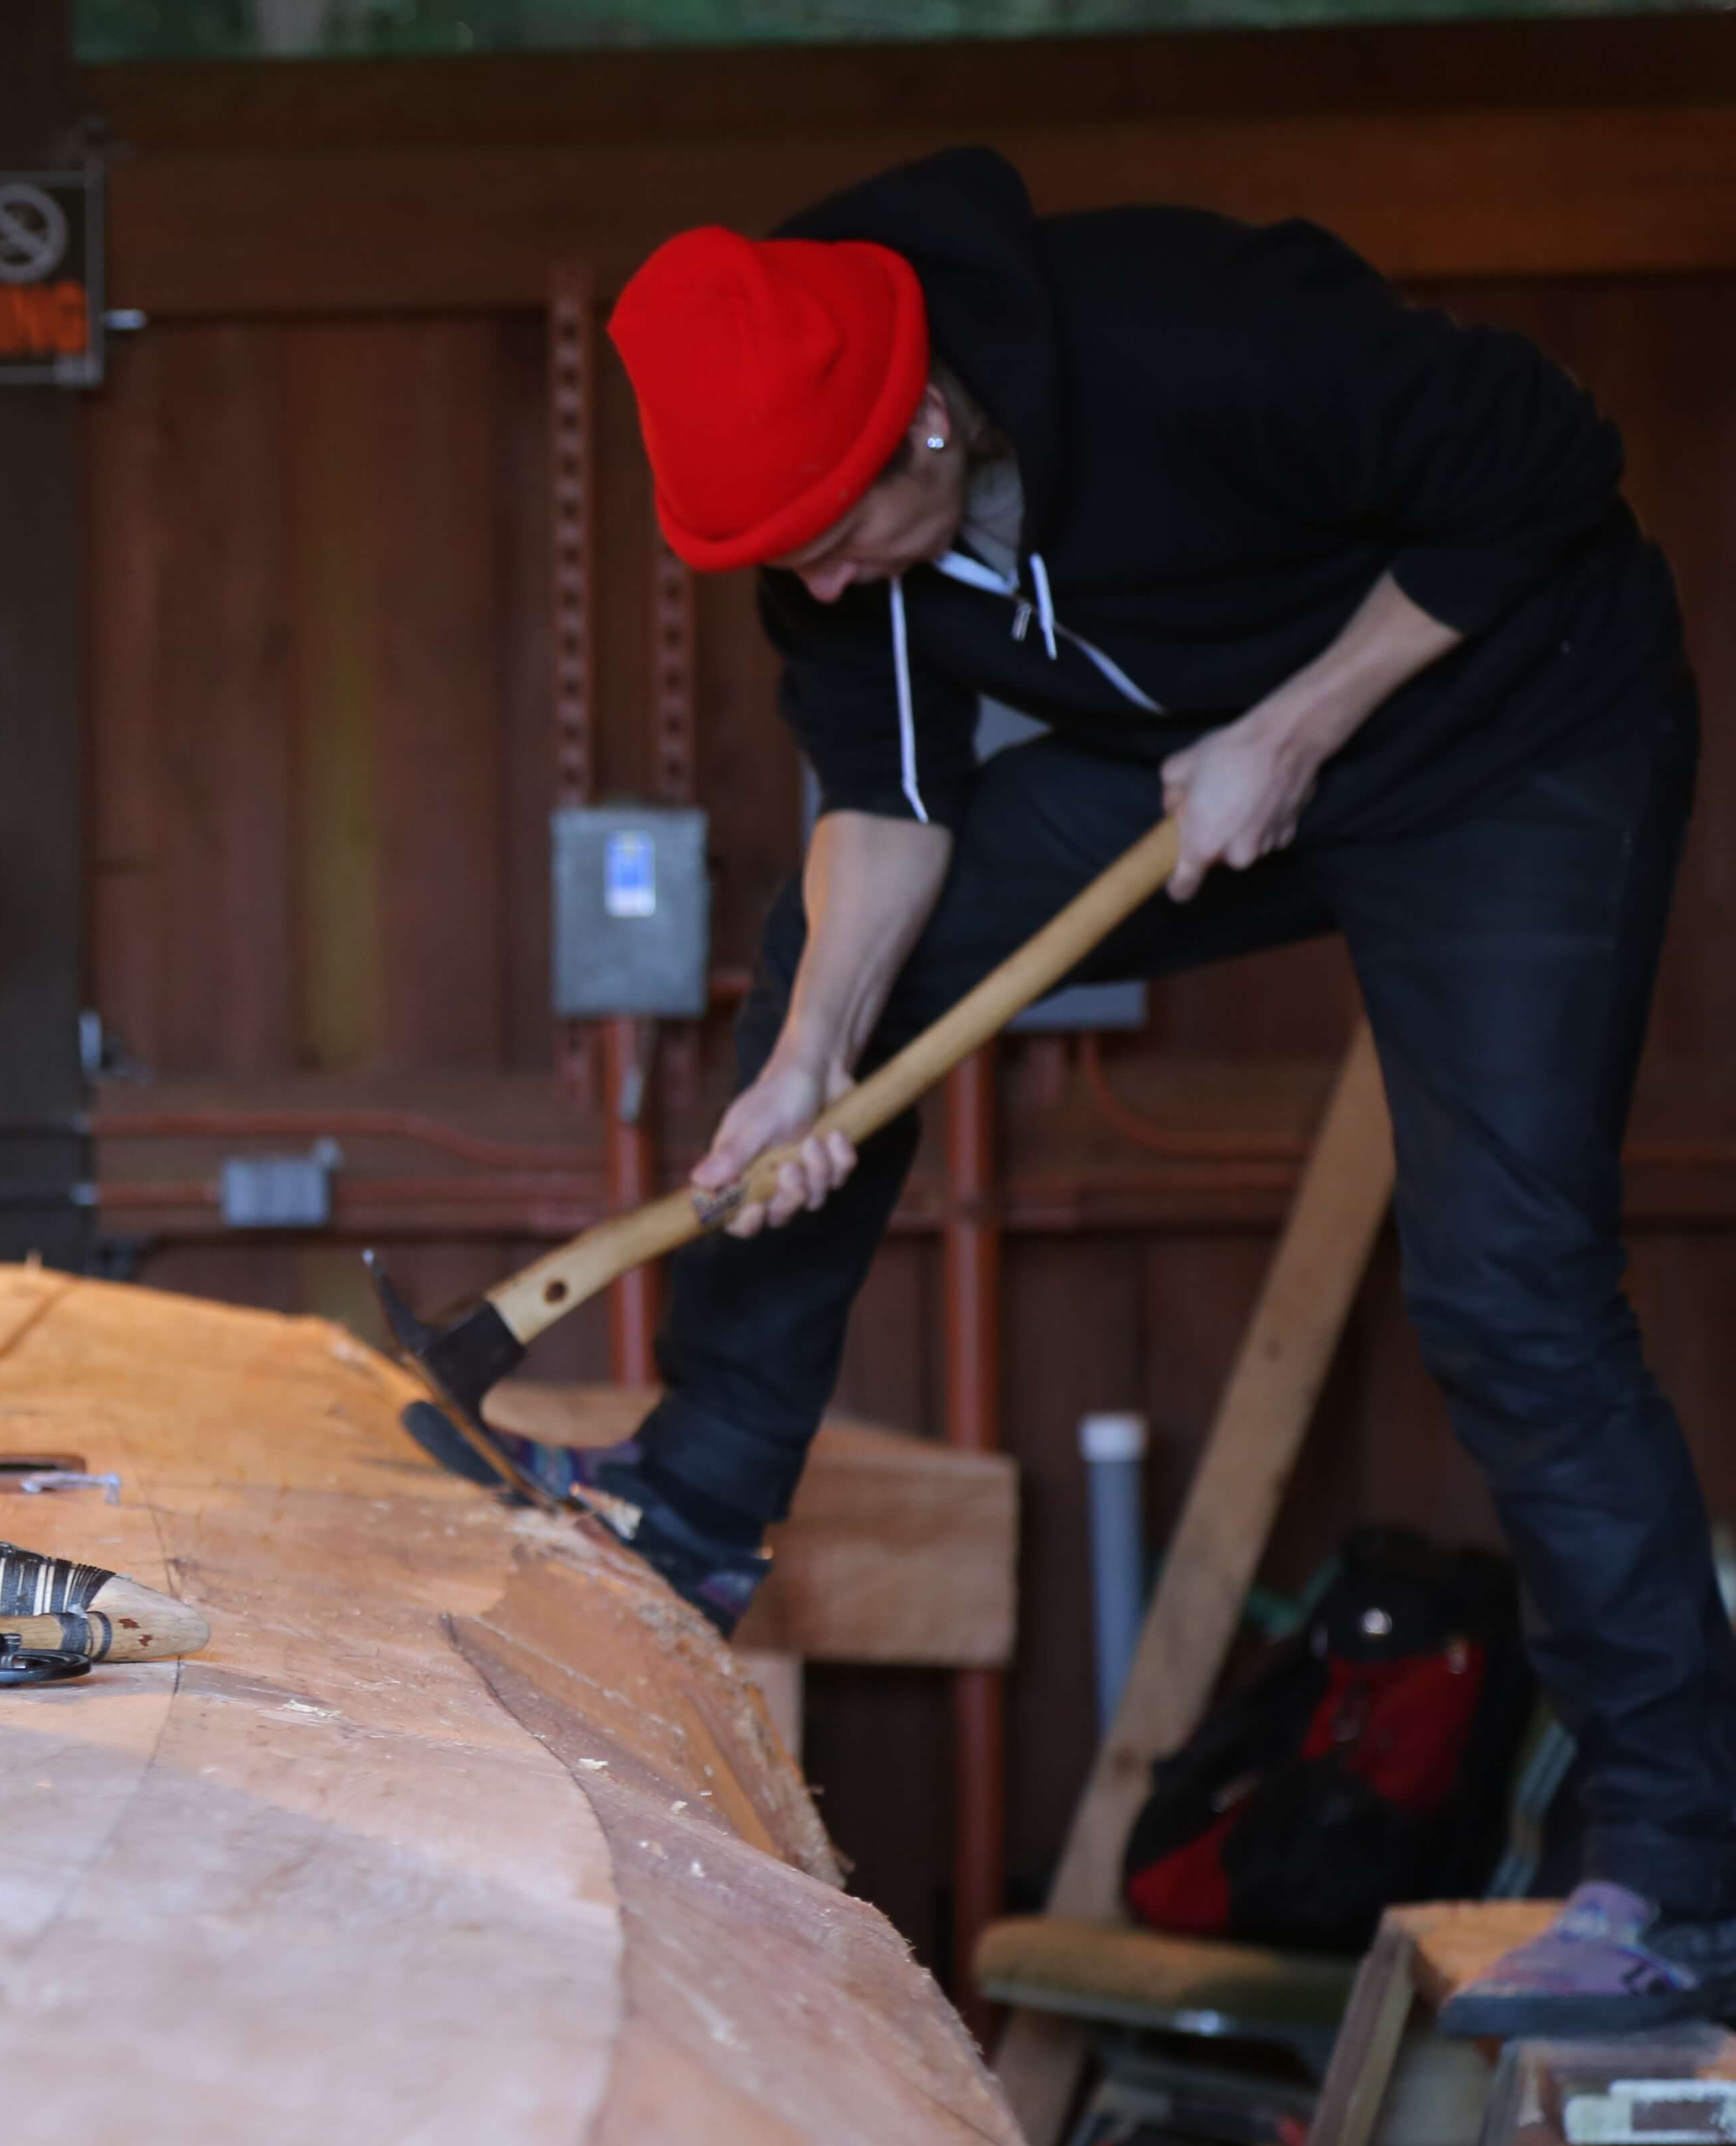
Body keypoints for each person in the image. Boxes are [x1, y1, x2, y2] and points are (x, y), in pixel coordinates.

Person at [551, 149, 1731, 2033]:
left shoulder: (1201, 336)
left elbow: (1545, 464)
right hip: (1217, 756)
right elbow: (893, 803)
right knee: (834, 972)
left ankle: (1678, 1873)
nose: (825, 581)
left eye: (841, 536)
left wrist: (1297, 727)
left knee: (1508, 1282)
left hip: (1513, 732)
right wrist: (807, 1068)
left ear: (927, 411)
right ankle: (696, 1503)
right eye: (787, 558)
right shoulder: (826, 530)